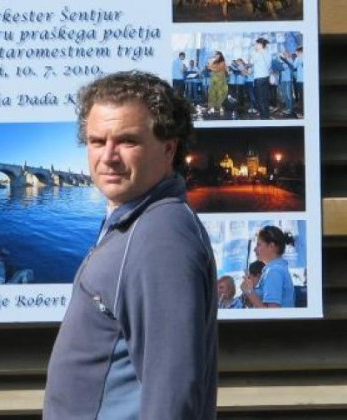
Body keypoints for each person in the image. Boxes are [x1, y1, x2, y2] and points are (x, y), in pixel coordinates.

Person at [43, 71, 218, 420]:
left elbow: (172, 392)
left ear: (168, 149)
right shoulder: (136, 221)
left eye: (127, 141)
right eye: (97, 141)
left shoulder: (161, 238)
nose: (108, 156)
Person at [241, 225, 295, 308]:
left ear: (271, 246)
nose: (254, 249)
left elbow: (272, 313)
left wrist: (249, 292)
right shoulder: (275, 269)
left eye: (259, 245)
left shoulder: (274, 271)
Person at [250, 37, 272, 119]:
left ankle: (263, 118)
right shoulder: (268, 53)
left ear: (260, 45)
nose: (255, 46)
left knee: (260, 99)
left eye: (256, 44)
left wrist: (254, 51)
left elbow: (251, 62)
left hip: (259, 78)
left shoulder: (256, 54)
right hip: (266, 77)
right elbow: (269, 67)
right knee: (265, 99)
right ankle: (266, 116)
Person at [207, 51, 228, 115]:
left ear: (219, 55)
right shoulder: (214, 62)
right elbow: (210, 68)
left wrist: (210, 67)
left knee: (220, 93)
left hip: (220, 80)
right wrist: (210, 63)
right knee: (212, 93)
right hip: (214, 80)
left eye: (216, 55)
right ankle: (212, 107)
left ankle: (219, 107)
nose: (215, 56)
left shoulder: (222, 62)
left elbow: (217, 69)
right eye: (214, 55)